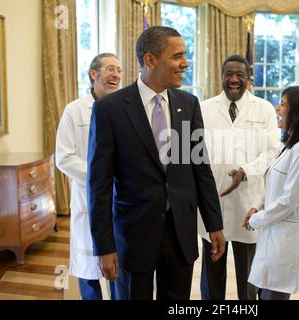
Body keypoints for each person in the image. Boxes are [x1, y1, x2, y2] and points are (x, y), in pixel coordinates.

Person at [87, 26, 226, 300]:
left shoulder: (188, 104)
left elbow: (201, 168)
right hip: (133, 237)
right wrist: (104, 246)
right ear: (150, 60)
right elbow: (98, 185)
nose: (185, 63)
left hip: (180, 236)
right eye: (177, 56)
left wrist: (215, 224)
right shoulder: (110, 109)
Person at [199, 55, 279, 300]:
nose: (234, 80)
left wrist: (245, 171)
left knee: (249, 275)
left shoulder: (263, 108)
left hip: (249, 201)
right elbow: (196, 153)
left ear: (248, 79)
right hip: (215, 201)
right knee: (212, 272)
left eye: (239, 75)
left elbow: (271, 151)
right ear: (221, 77)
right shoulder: (204, 108)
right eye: (228, 74)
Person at [243, 86, 299, 300]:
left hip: (286, 242)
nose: (278, 108)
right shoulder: (287, 146)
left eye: (283, 104)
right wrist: (256, 206)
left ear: (297, 112)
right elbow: (270, 182)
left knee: (274, 294)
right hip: (272, 233)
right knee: (263, 290)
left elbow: (289, 201)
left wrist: (257, 219)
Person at [55, 53, 122, 300]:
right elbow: (63, 157)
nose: (115, 74)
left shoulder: (124, 109)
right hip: (88, 199)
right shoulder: (74, 110)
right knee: (88, 270)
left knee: (118, 267)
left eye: (118, 69)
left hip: (120, 199)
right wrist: (100, 175)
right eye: (109, 69)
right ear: (94, 74)